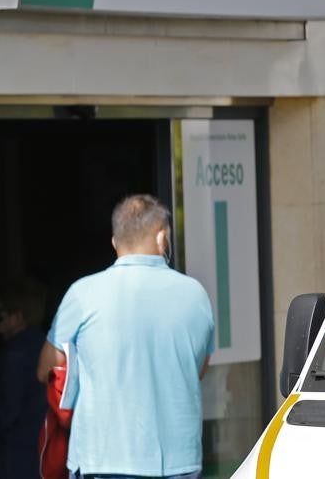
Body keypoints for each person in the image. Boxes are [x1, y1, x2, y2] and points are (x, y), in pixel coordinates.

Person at [36, 195, 215, 479]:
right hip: (179, 463)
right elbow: (199, 369)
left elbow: (46, 368)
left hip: (103, 460)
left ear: (115, 242)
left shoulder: (83, 293)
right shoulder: (196, 295)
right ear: (162, 238)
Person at [0, 276, 48, 479]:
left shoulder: (15, 355)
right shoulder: (42, 345)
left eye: (0, 312)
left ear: (19, 317)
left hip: (10, 460)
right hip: (33, 458)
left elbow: (2, 414)